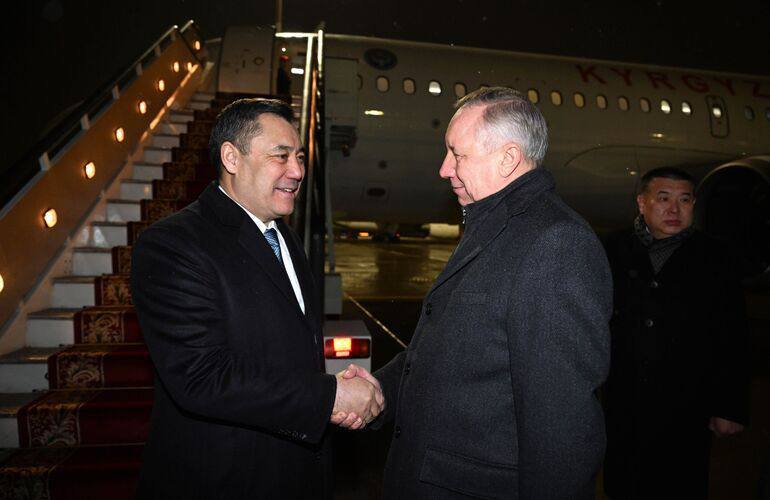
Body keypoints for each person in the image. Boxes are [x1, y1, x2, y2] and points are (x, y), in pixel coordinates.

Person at [343, 87, 613, 498]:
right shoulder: (494, 223)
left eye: (457, 154)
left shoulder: (555, 245)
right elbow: (457, 352)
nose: (444, 169)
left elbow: (561, 427)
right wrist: (379, 390)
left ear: (507, 159)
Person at [130, 98, 383, 499]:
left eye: (299, 157)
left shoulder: (286, 238)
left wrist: (332, 394)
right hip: (225, 480)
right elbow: (202, 377)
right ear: (231, 157)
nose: (297, 171)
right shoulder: (173, 245)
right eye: (281, 156)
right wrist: (329, 397)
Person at [602, 166, 750, 499]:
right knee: (623, 482)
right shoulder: (614, 248)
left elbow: (733, 334)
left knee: (679, 481)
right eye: (663, 198)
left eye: (684, 200)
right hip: (625, 397)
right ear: (642, 202)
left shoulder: (715, 257)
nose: (674, 209)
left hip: (686, 403)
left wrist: (729, 407)